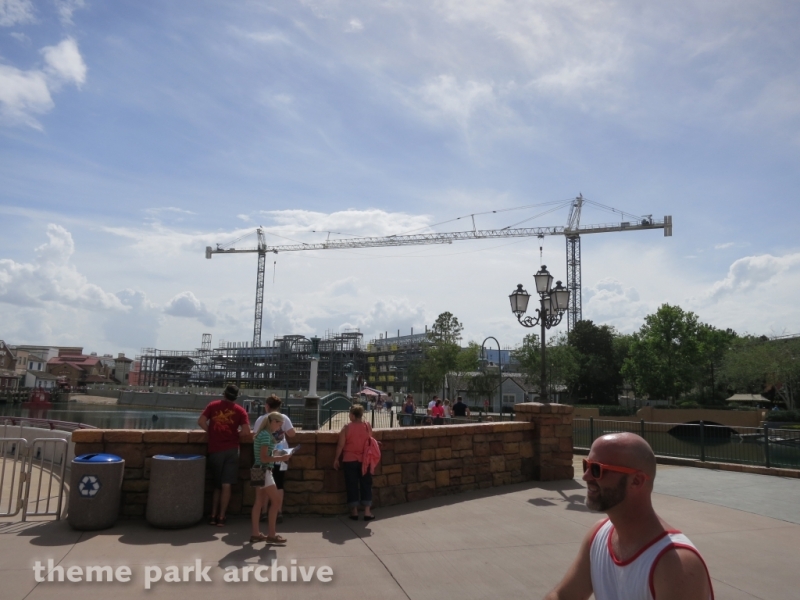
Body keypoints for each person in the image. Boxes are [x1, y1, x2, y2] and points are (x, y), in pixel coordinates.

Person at [544, 432, 713, 600]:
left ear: (636, 481)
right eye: (586, 466)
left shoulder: (676, 565)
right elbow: (562, 596)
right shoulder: (598, 535)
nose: (586, 476)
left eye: (597, 469)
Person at [197, 384, 251, 526]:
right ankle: (222, 517)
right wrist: (235, 435)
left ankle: (213, 515)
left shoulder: (213, 405)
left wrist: (211, 432)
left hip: (215, 449)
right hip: (232, 449)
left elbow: (201, 421)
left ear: (224, 394)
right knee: (227, 484)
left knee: (217, 485)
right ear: (236, 397)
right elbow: (246, 431)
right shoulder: (240, 411)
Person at [253, 395, 296, 524]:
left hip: (261, 458)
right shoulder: (284, 418)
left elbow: (255, 436)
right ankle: (278, 511)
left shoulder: (261, 419)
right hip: (281, 453)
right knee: (279, 484)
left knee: (262, 487)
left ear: (267, 406)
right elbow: (292, 434)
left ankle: (264, 512)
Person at [250, 412, 291, 545]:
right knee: (277, 501)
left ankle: (256, 533)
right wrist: (281, 458)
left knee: (259, 502)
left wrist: (278, 455)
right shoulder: (267, 436)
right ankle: (271, 534)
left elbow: (263, 454)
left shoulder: (261, 435)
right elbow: (264, 457)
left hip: (257, 469)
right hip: (264, 470)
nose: (279, 428)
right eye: (279, 424)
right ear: (273, 422)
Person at [333, 404, 375, 521]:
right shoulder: (367, 426)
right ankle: (367, 511)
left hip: (349, 459)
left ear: (352, 415)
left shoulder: (347, 427)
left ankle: (354, 511)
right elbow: (369, 442)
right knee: (366, 484)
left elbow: (340, 445)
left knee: (352, 485)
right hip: (365, 460)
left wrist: (336, 459)